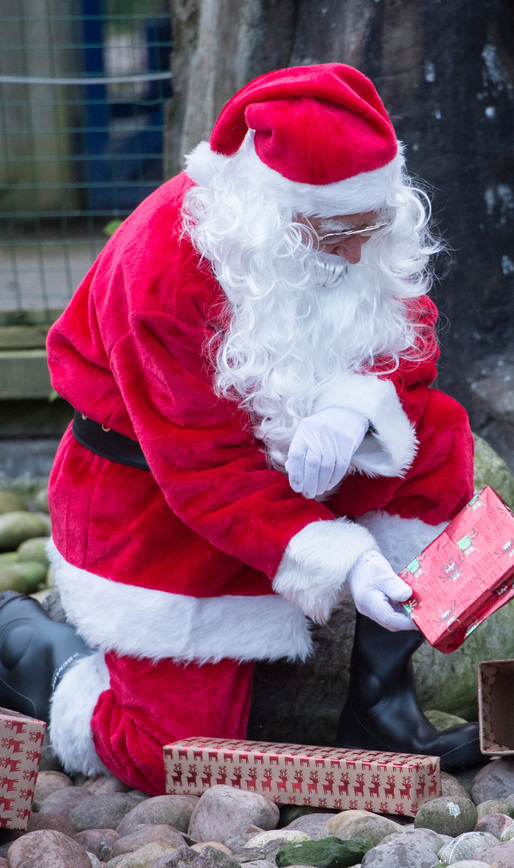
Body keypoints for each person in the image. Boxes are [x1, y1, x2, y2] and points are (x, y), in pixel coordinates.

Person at [0, 63, 481, 795]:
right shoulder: (162, 265)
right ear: (273, 217)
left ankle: (380, 703)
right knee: (170, 758)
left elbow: (407, 335)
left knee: (438, 440)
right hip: (153, 496)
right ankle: (43, 653)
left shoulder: (351, 230)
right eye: (338, 232)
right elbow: (202, 470)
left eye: (372, 225)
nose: (359, 250)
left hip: (283, 456)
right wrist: (339, 558)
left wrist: (353, 408)